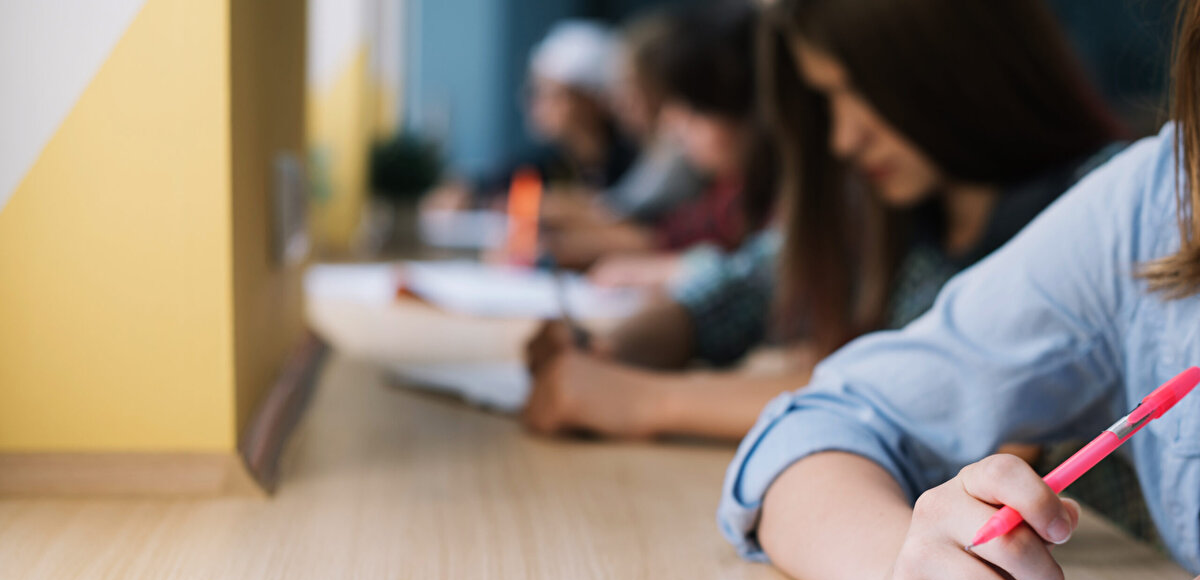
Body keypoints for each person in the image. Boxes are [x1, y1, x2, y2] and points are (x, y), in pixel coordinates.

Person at [716, 0, 1200, 580]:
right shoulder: (1154, 207)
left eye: (855, 91)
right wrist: (900, 569)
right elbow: (821, 420)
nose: (842, 140)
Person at [524, 0, 1125, 444]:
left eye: (857, 92)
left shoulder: (1105, 204)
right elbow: (743, 288)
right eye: (827, 101)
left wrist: (644, 401)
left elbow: (931, 393)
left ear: (953, 63)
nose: (843, 137)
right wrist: (613, 348)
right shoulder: (886, 201)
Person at [543, 3, 777, 270]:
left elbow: (646, 229)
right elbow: (673, 235)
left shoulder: (751, 193)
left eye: (695, 109)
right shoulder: (728, 190)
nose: (673, 123)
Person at [422, 20, 635, 213]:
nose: (534, 103)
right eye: (534, 91)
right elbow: (486, 186)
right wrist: (467, 192)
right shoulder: (550, 161)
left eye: (549, 93)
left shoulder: (635, 163)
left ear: (591, 100)